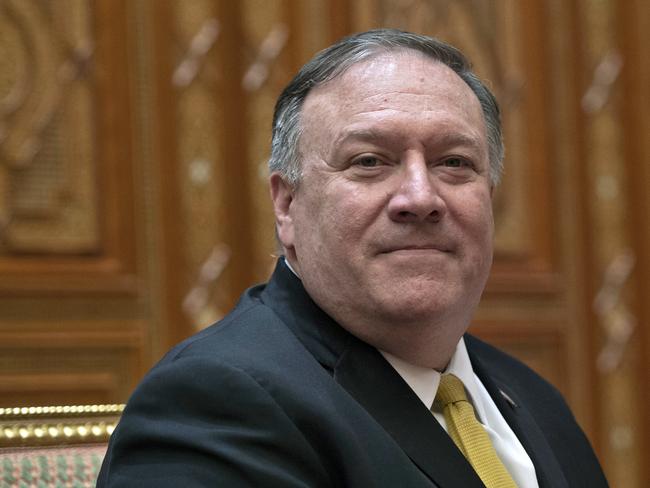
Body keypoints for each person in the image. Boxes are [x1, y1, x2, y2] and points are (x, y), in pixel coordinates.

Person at [98, 29, 608, 487]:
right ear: (287, 204)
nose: (420, 197)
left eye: (454, 163)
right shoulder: (213, 403)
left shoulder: (532, 398)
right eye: (369, 162)